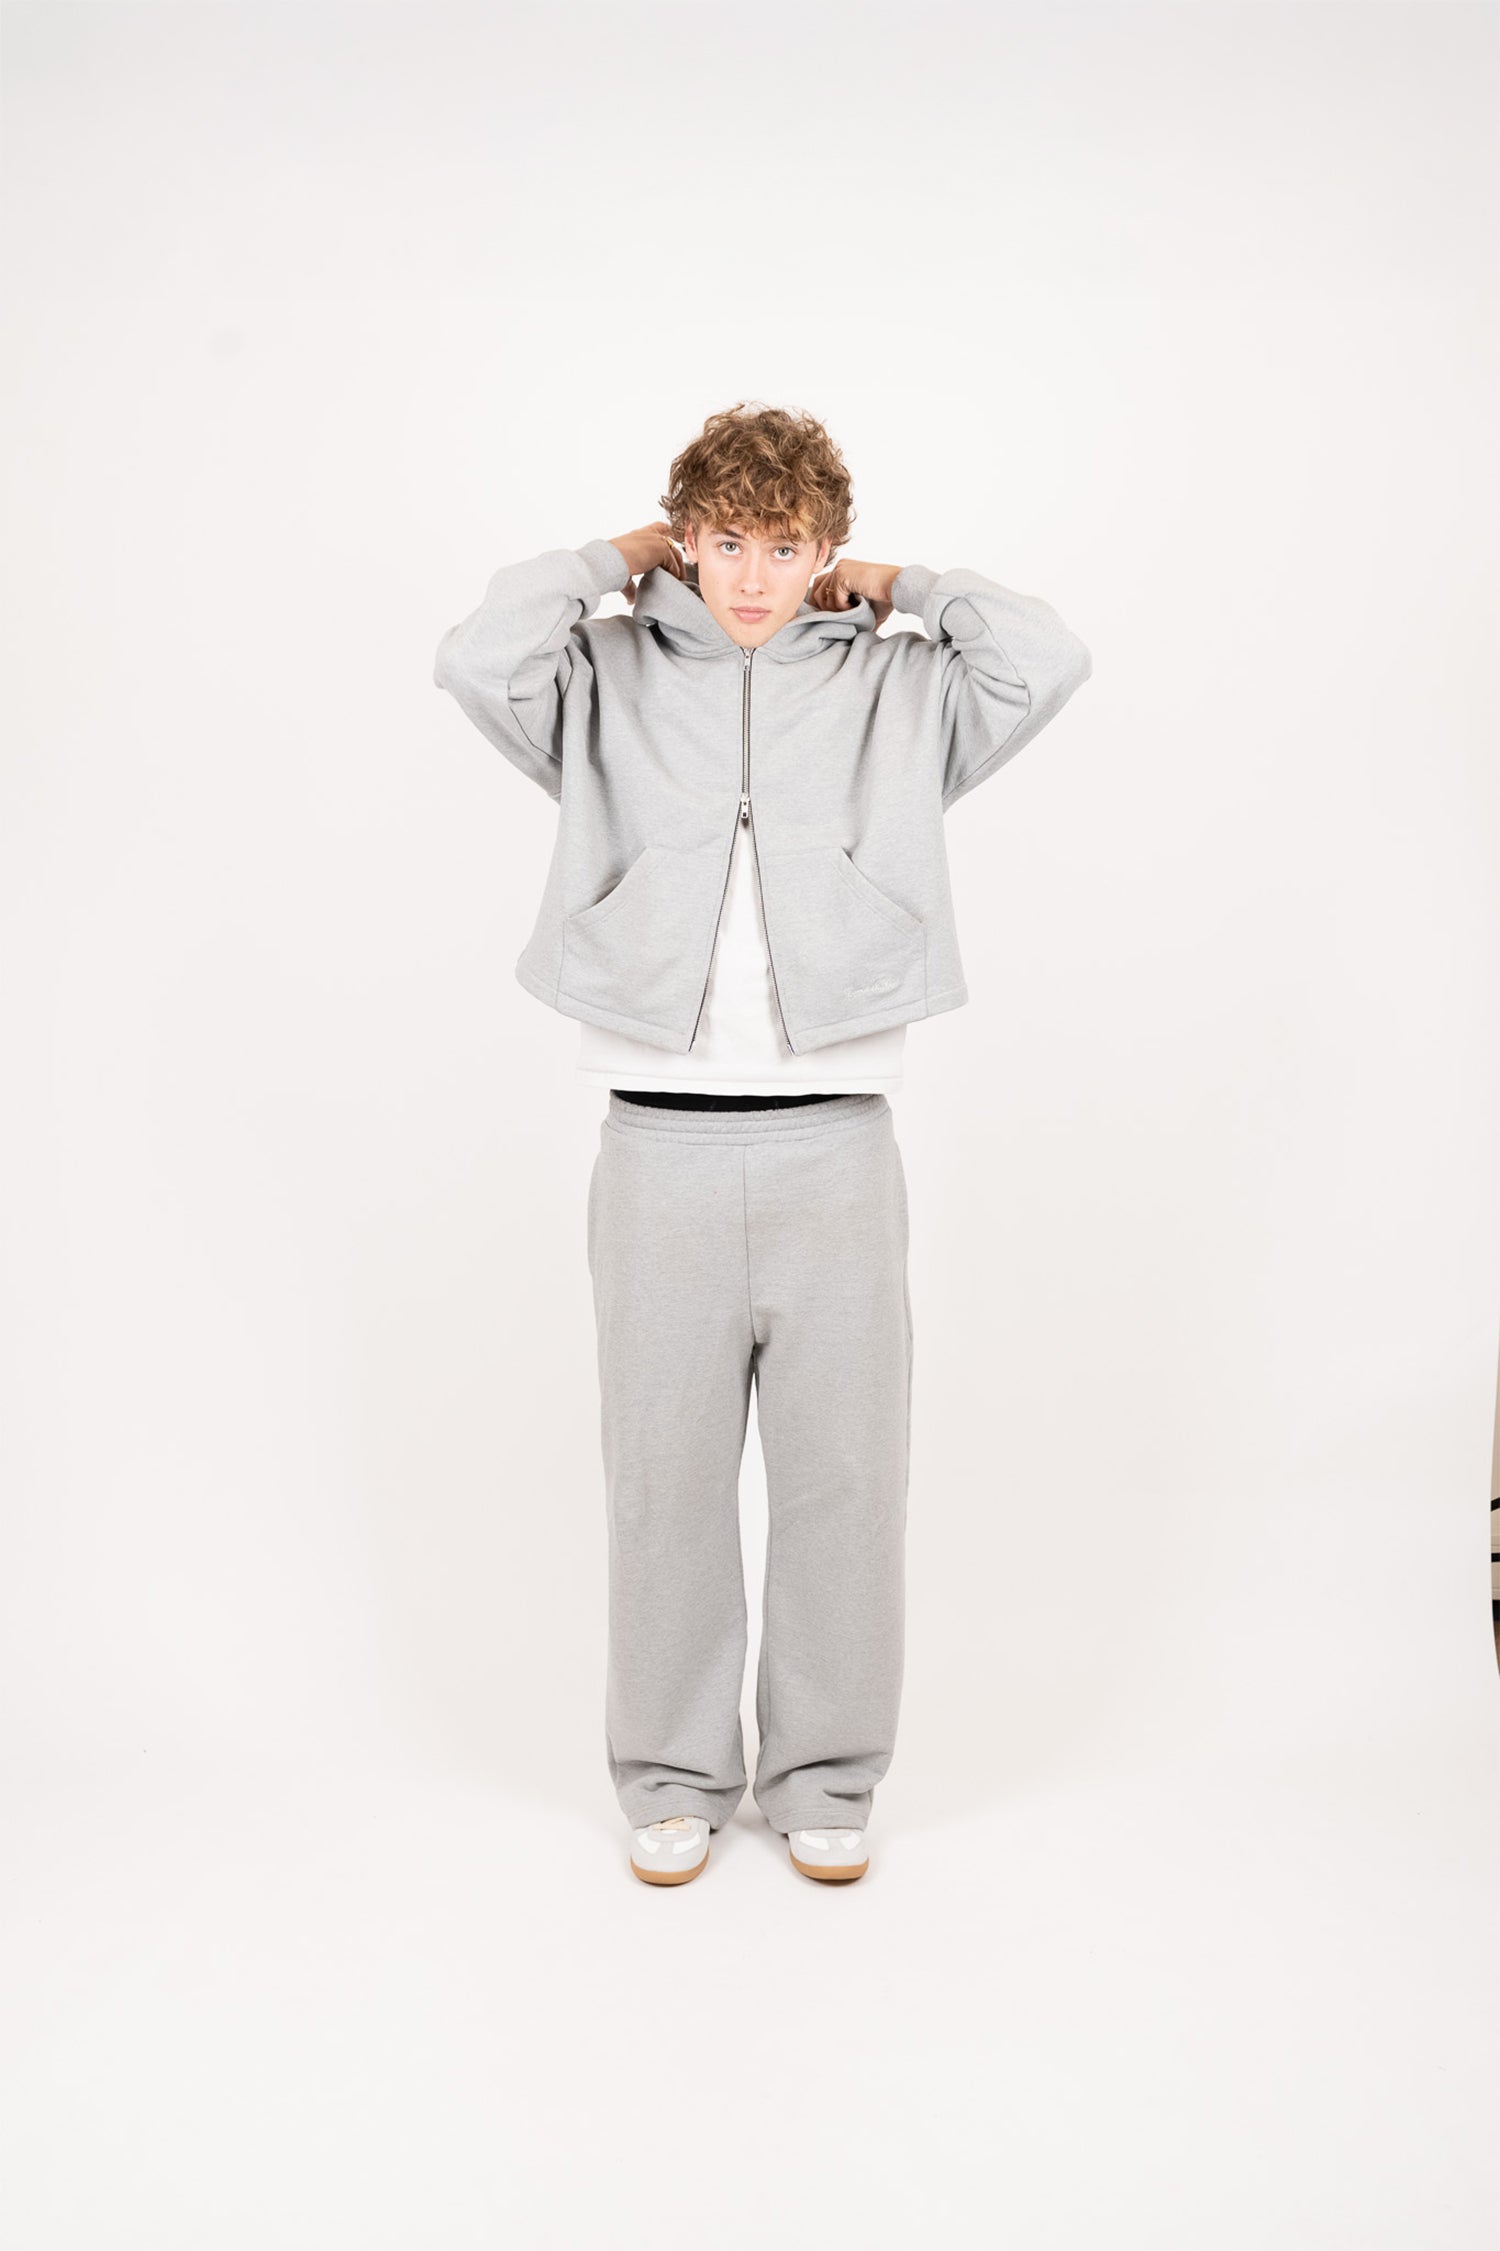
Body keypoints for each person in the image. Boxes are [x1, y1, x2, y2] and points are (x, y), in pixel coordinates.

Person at [433, 400, 1092, 1885]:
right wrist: (613, 558)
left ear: (824, 551)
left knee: (845, 1481)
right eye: (724, 541)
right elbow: (476, 657)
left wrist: (906, 587)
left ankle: (827, 1777)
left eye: (783, 547)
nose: (750, 575)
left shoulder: (898, 689)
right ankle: (671, 1775)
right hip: (655, 1147)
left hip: (836, 1146)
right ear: (687, 539)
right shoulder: (602, 674)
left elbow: (1045, 657)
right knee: (661, 1483)